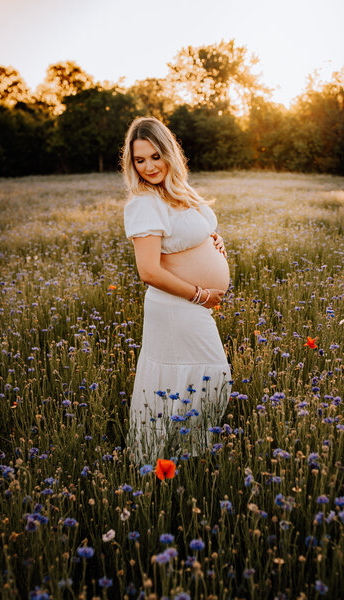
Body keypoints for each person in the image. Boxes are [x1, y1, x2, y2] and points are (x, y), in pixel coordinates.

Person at [120, 116, 232, 463]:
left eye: (156, 156)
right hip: (175, 307)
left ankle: (185, 456)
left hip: (189, 307)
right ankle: (167, 458)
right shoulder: (144, 203)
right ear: (131, 162)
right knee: (208, 377)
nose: (149, 166)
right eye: (140, 160)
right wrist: (200, 294)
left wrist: (213, 240)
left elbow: (190, 231)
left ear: (169, 153)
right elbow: (149, 270)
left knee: (198, 380)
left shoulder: (180, 190)